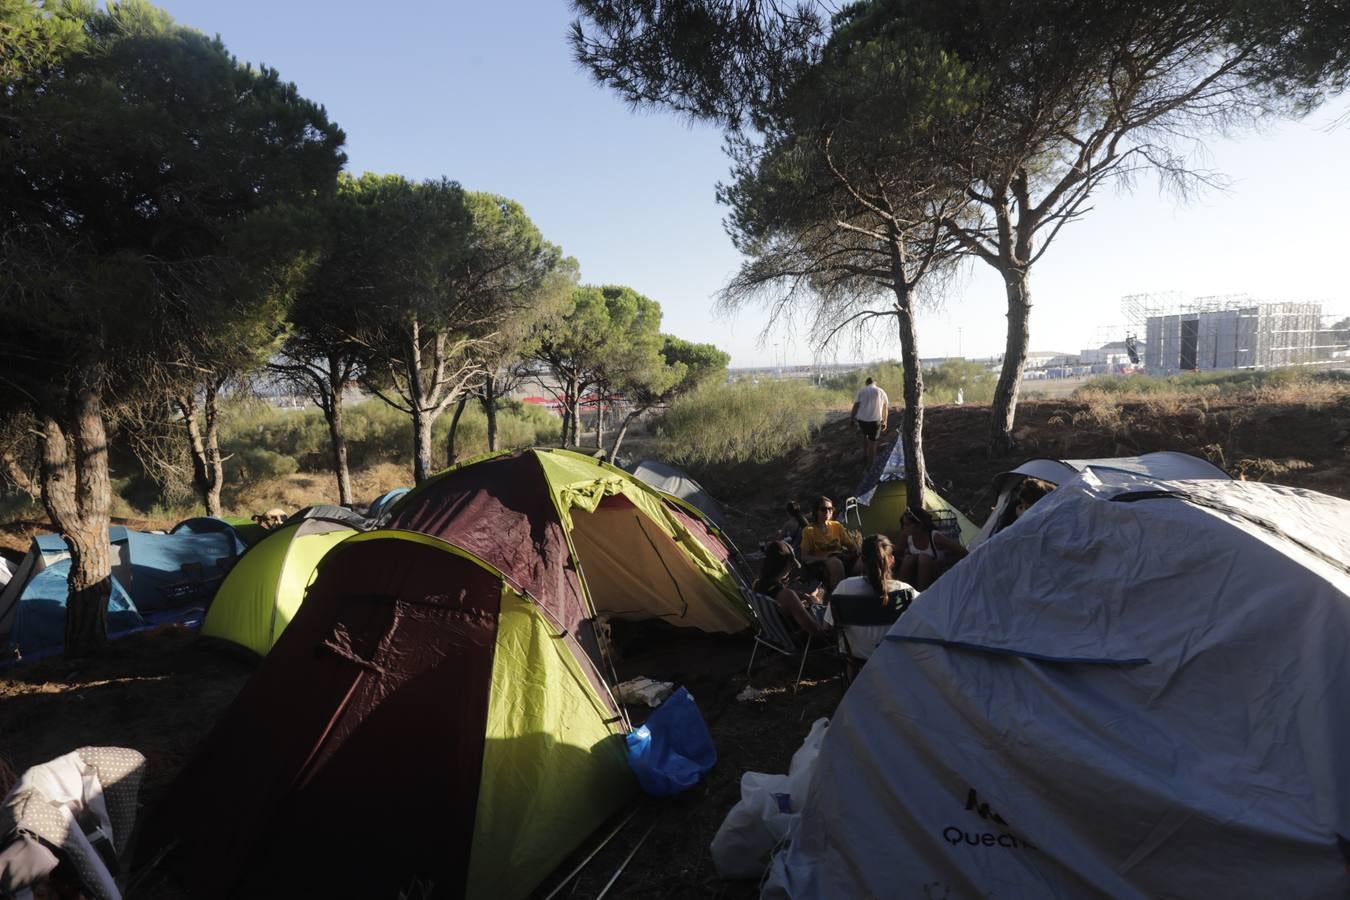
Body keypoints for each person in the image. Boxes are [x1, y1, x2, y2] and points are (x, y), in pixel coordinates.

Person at [827, 534, 917, 668]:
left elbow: (828, 626)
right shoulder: (905, 592)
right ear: (891, 560)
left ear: (862, 560)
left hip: (858, 664)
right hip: (896, 663)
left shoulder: (843, 589)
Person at [753, 540, 828, 636]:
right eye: (791, 563)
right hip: (801, 642)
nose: (792, 567)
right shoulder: (786, 595)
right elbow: (815, 630)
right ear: (786, 563)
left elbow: (778, 595)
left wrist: (801, 596)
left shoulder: (758, 585)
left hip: (777, 637)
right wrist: (814, 604)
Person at [897, 506, 967, 590]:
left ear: (919, 525)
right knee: (908, 558)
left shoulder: (935, 537)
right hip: (914, 577)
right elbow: (897, 554)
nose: (904, 527)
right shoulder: (906, 536)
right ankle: (902, 592)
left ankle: (922, 595)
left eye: (907, 525)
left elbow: (963, 552)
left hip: (935, 578)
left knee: (924, 558)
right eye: (904, 524)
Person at [799, 496, 854, 590]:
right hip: (820, 562)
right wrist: (824, 558)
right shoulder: (809, 531)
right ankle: (838, 598)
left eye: (830, 509)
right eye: (823, 509)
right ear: (816, 511)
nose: (828, 512)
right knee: (835, 563)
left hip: (840, 556)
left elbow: (850, 544)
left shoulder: (836, 526)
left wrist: (857, 551)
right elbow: (804, 556)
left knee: (864, 560)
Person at [850, 376, 890, 467]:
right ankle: (871, 465)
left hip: (862, 421)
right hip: (875, 421)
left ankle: (865, 456)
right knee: (873, 443)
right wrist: (885, 421)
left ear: (866, 383)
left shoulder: (862, 391)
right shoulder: (881, 391)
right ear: (875, 383)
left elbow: (855, 406)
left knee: (865, 436)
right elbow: (885, 407)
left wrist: (851, 418)